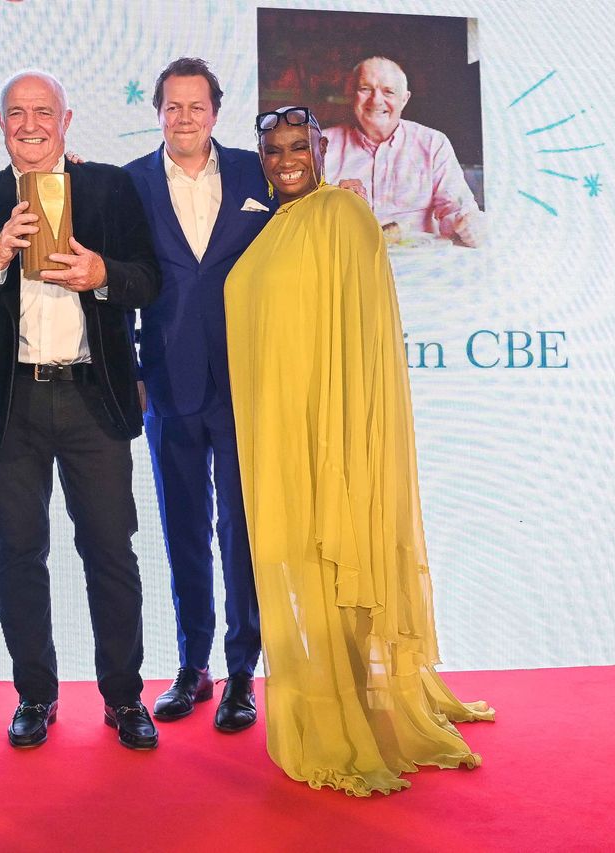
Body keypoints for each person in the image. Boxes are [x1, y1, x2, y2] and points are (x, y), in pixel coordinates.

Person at [224, 105, 494, 795]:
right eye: (274, 149)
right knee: (297, 567)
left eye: (298, 146)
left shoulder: (343, 215)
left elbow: (359, 334)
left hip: (327, 432)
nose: (286, 159)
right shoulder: (272, 227)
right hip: (276, 435)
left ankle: (360, 711)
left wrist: (340, 434)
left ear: (320, 148)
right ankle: (329, 696)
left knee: (334, 564)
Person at [0, 71, 162, 750]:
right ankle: (34, 695)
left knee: (110, 553)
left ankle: (125, 699)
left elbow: (149, 280)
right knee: (18, 554)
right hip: (15, 406)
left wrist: (103, 276)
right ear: (0, 122)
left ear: (67, 120)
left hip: (94, 399)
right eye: (16, 113)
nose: (29, 124)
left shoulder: (109, 187)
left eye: (43, 112)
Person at [123, 58, 270, 732]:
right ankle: (194, 666)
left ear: (216, 110)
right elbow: (113, 284)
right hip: (167, 383)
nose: (185, 118)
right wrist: (131, 372)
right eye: (173, 107)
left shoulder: (254, 173)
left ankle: (244, 669)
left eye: (196, 106)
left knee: (242, 532)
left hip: (245, 381)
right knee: (183, 531)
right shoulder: (129, 185)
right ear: (159, 112)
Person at [322, 57, 483, 247]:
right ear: (351, 94)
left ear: (404, 99)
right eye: (365, 89)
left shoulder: (433, 143)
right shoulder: (320, 145)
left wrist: (469, 225)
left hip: (418, 264)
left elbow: (456, 209)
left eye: (388, 91)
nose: (376, 100)